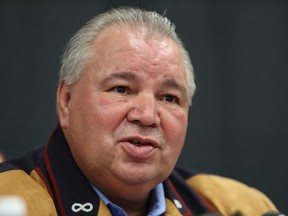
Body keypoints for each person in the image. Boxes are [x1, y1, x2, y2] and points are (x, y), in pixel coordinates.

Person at [0, 7, 281, 216]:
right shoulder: (12, 200)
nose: (147, 115)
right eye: (121, 89)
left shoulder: (237, 207)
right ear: (67, 100)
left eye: (169, 98)